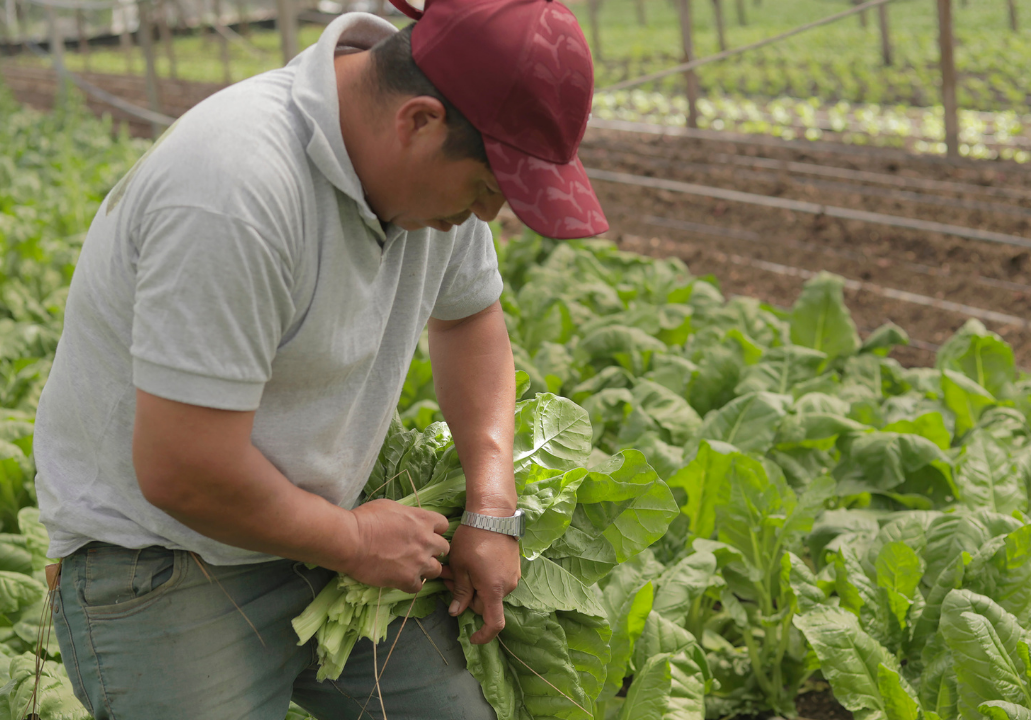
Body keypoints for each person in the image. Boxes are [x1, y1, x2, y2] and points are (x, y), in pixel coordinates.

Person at [33, 0, 608, 716]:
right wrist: (353, 540)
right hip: (166, 560)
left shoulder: (434, 173)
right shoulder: (235, 191)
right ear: (419, 121)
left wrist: (492, 507)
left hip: (324, 534)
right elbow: (182, 468)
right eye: (488, 190)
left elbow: (470, 322)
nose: (488, 216)